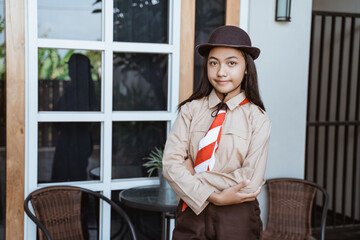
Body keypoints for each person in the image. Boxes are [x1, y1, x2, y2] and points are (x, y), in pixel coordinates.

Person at [162, 25, 271, 239]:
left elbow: (249, 182)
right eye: (214, 63)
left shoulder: (258, 119)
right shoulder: (190, 110)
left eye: (231, 63)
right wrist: (214, 196)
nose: (221, 72)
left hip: (237, 219)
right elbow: (170, 165)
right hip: (191, 214)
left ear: (246, 67)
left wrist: (194, 176)